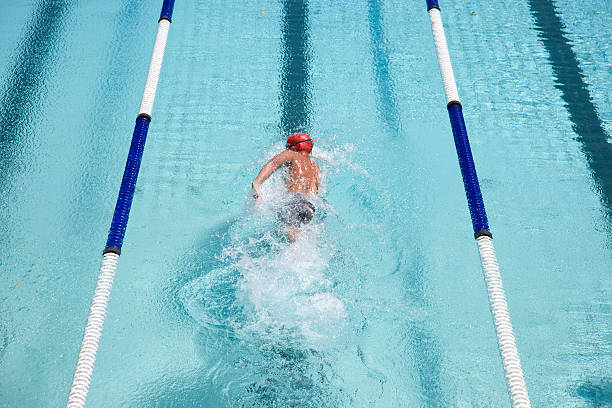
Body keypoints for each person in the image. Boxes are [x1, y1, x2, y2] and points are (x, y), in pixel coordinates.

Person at [252, 133, 320, 242]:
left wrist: (257, 182)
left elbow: (273, 164)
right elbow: (315, 190)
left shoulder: (290, 154)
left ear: (294, 147)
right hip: (310, 205)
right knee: (300, 234)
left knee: (289, 233)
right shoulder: (314, 166)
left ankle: (295, 254)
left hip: (294, 201)